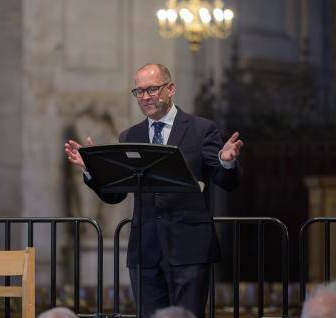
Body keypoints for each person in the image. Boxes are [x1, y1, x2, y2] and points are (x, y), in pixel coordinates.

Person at [65, 63, 243, 317]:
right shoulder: (130, 136)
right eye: (139, 91)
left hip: (189, 248)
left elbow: (227, 182)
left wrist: (227, 161)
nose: (145, 97)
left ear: (170, 89)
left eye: (152, 89)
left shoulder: (201, 129)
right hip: (145, 251)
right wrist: (93, 169)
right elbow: (115, 195)